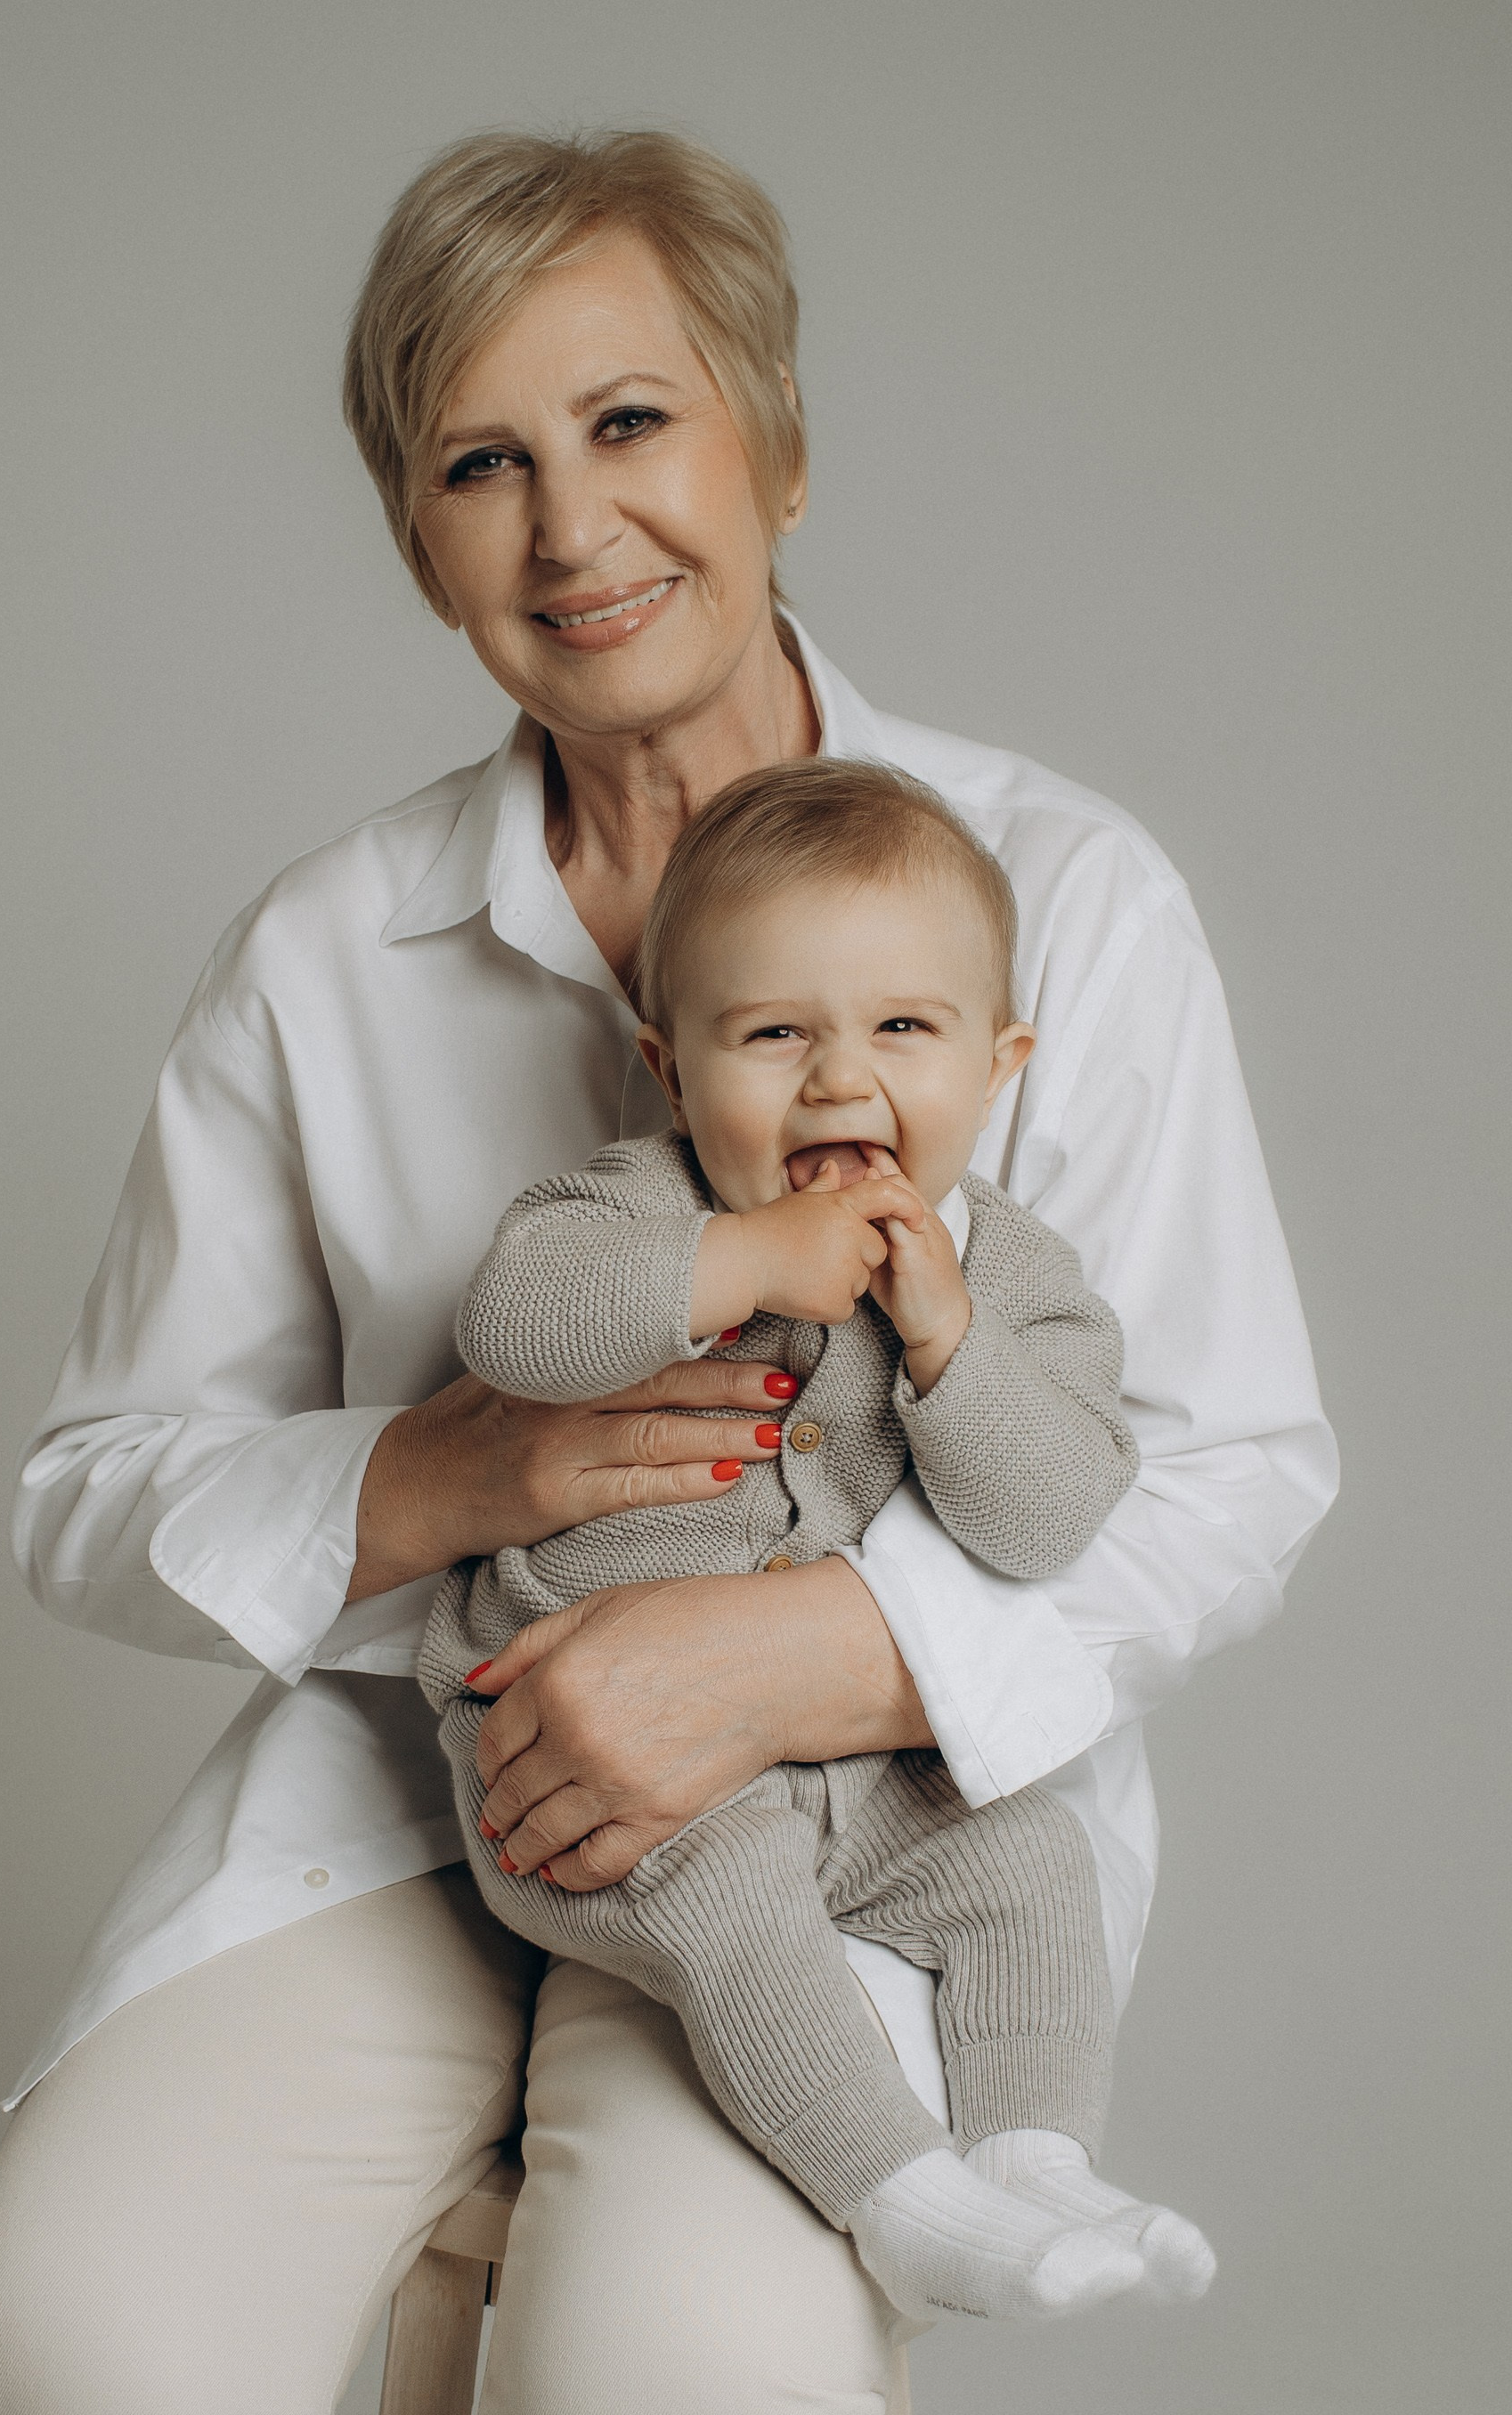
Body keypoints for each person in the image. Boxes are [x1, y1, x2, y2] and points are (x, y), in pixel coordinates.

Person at [0, 129, 1336, 2415]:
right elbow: (89, 1492)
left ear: (776, 446)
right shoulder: (321, 957)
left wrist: (811, 1657)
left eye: (632, 423)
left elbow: (1229, 1468)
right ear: (416, 537)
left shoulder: (1061, 896)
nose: (573, 526)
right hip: (431, 1795)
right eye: (481, 461)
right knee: (84, 2358)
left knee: (689, 2401)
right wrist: (436, 1471)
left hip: (866, 1818)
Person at [423, 755, 1215, 2324]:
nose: (842, 1082)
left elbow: (1050, 1516)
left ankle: (1038, 2161)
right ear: (670, 1070)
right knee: (742, 1919)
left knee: (1032, 1865)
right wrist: (743, 1260)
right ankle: (901, 2199)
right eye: (774, 1034)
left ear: (999, 1067)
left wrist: (948, 1343)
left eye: (904, 1029)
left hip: (862, 1774)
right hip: (585, 1780)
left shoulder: (1015, 1282)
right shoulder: (632, 1209)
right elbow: (514, 1323)